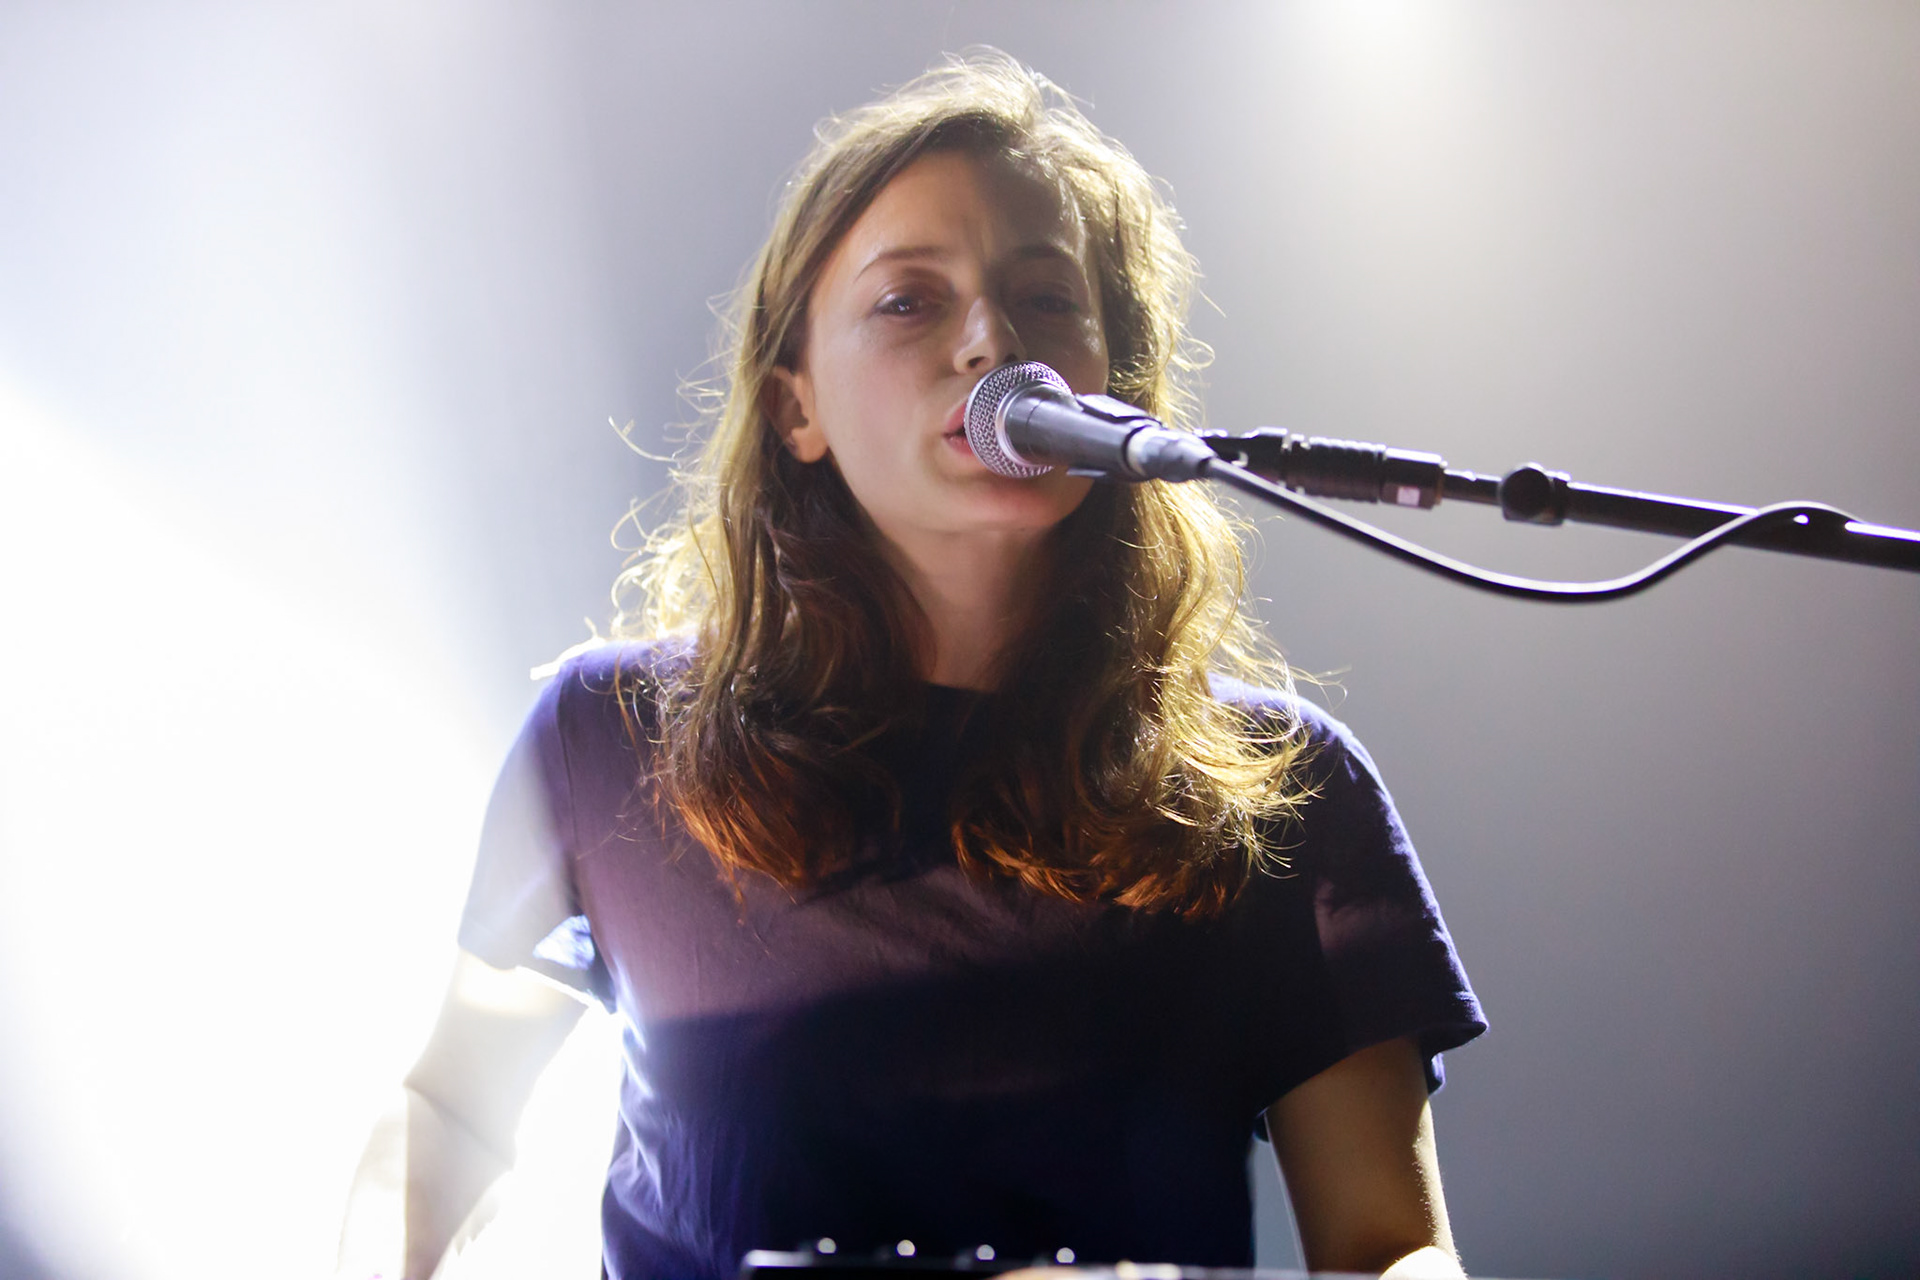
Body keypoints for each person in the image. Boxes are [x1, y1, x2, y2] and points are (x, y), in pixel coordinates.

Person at [334, 50, 1485, 1280]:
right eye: (908, 301)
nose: (994, 339)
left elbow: (1391, 1247)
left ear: (1120, 386)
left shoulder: (1283, 787)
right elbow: (448, 1111)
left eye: (1048, 299)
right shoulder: (605, 736)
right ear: (795, 408)